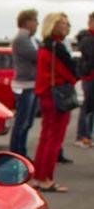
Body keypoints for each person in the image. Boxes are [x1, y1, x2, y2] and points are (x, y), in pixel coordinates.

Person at [32, 12, 77, 193]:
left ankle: (38, 176)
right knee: (54, 139)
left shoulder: (44, 47)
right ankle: (46, 178)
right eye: (64, 24)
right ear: (55, 26)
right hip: (57, 96)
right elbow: (71, 74)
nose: (67, 27)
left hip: (46, 96)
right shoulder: (56, 48)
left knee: (45, 138)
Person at [9, 10, 40, 158]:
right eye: (35, 20)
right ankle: (16, 153)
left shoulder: (31, 39)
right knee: (22, 122)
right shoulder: (22, 39)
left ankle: (21, 152)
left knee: (27, 123)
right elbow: (37, 56)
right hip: (25, 85)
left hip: (31, 84)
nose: (37, 24)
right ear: (27, 22)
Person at [76, 11, 94, 148]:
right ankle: (82, 135)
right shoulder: (88, 39)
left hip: (89, 76)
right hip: (89, 77)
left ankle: (88, 134)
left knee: (90, 107)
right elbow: (90, 58)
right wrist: (87, 70)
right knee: (87, 107)